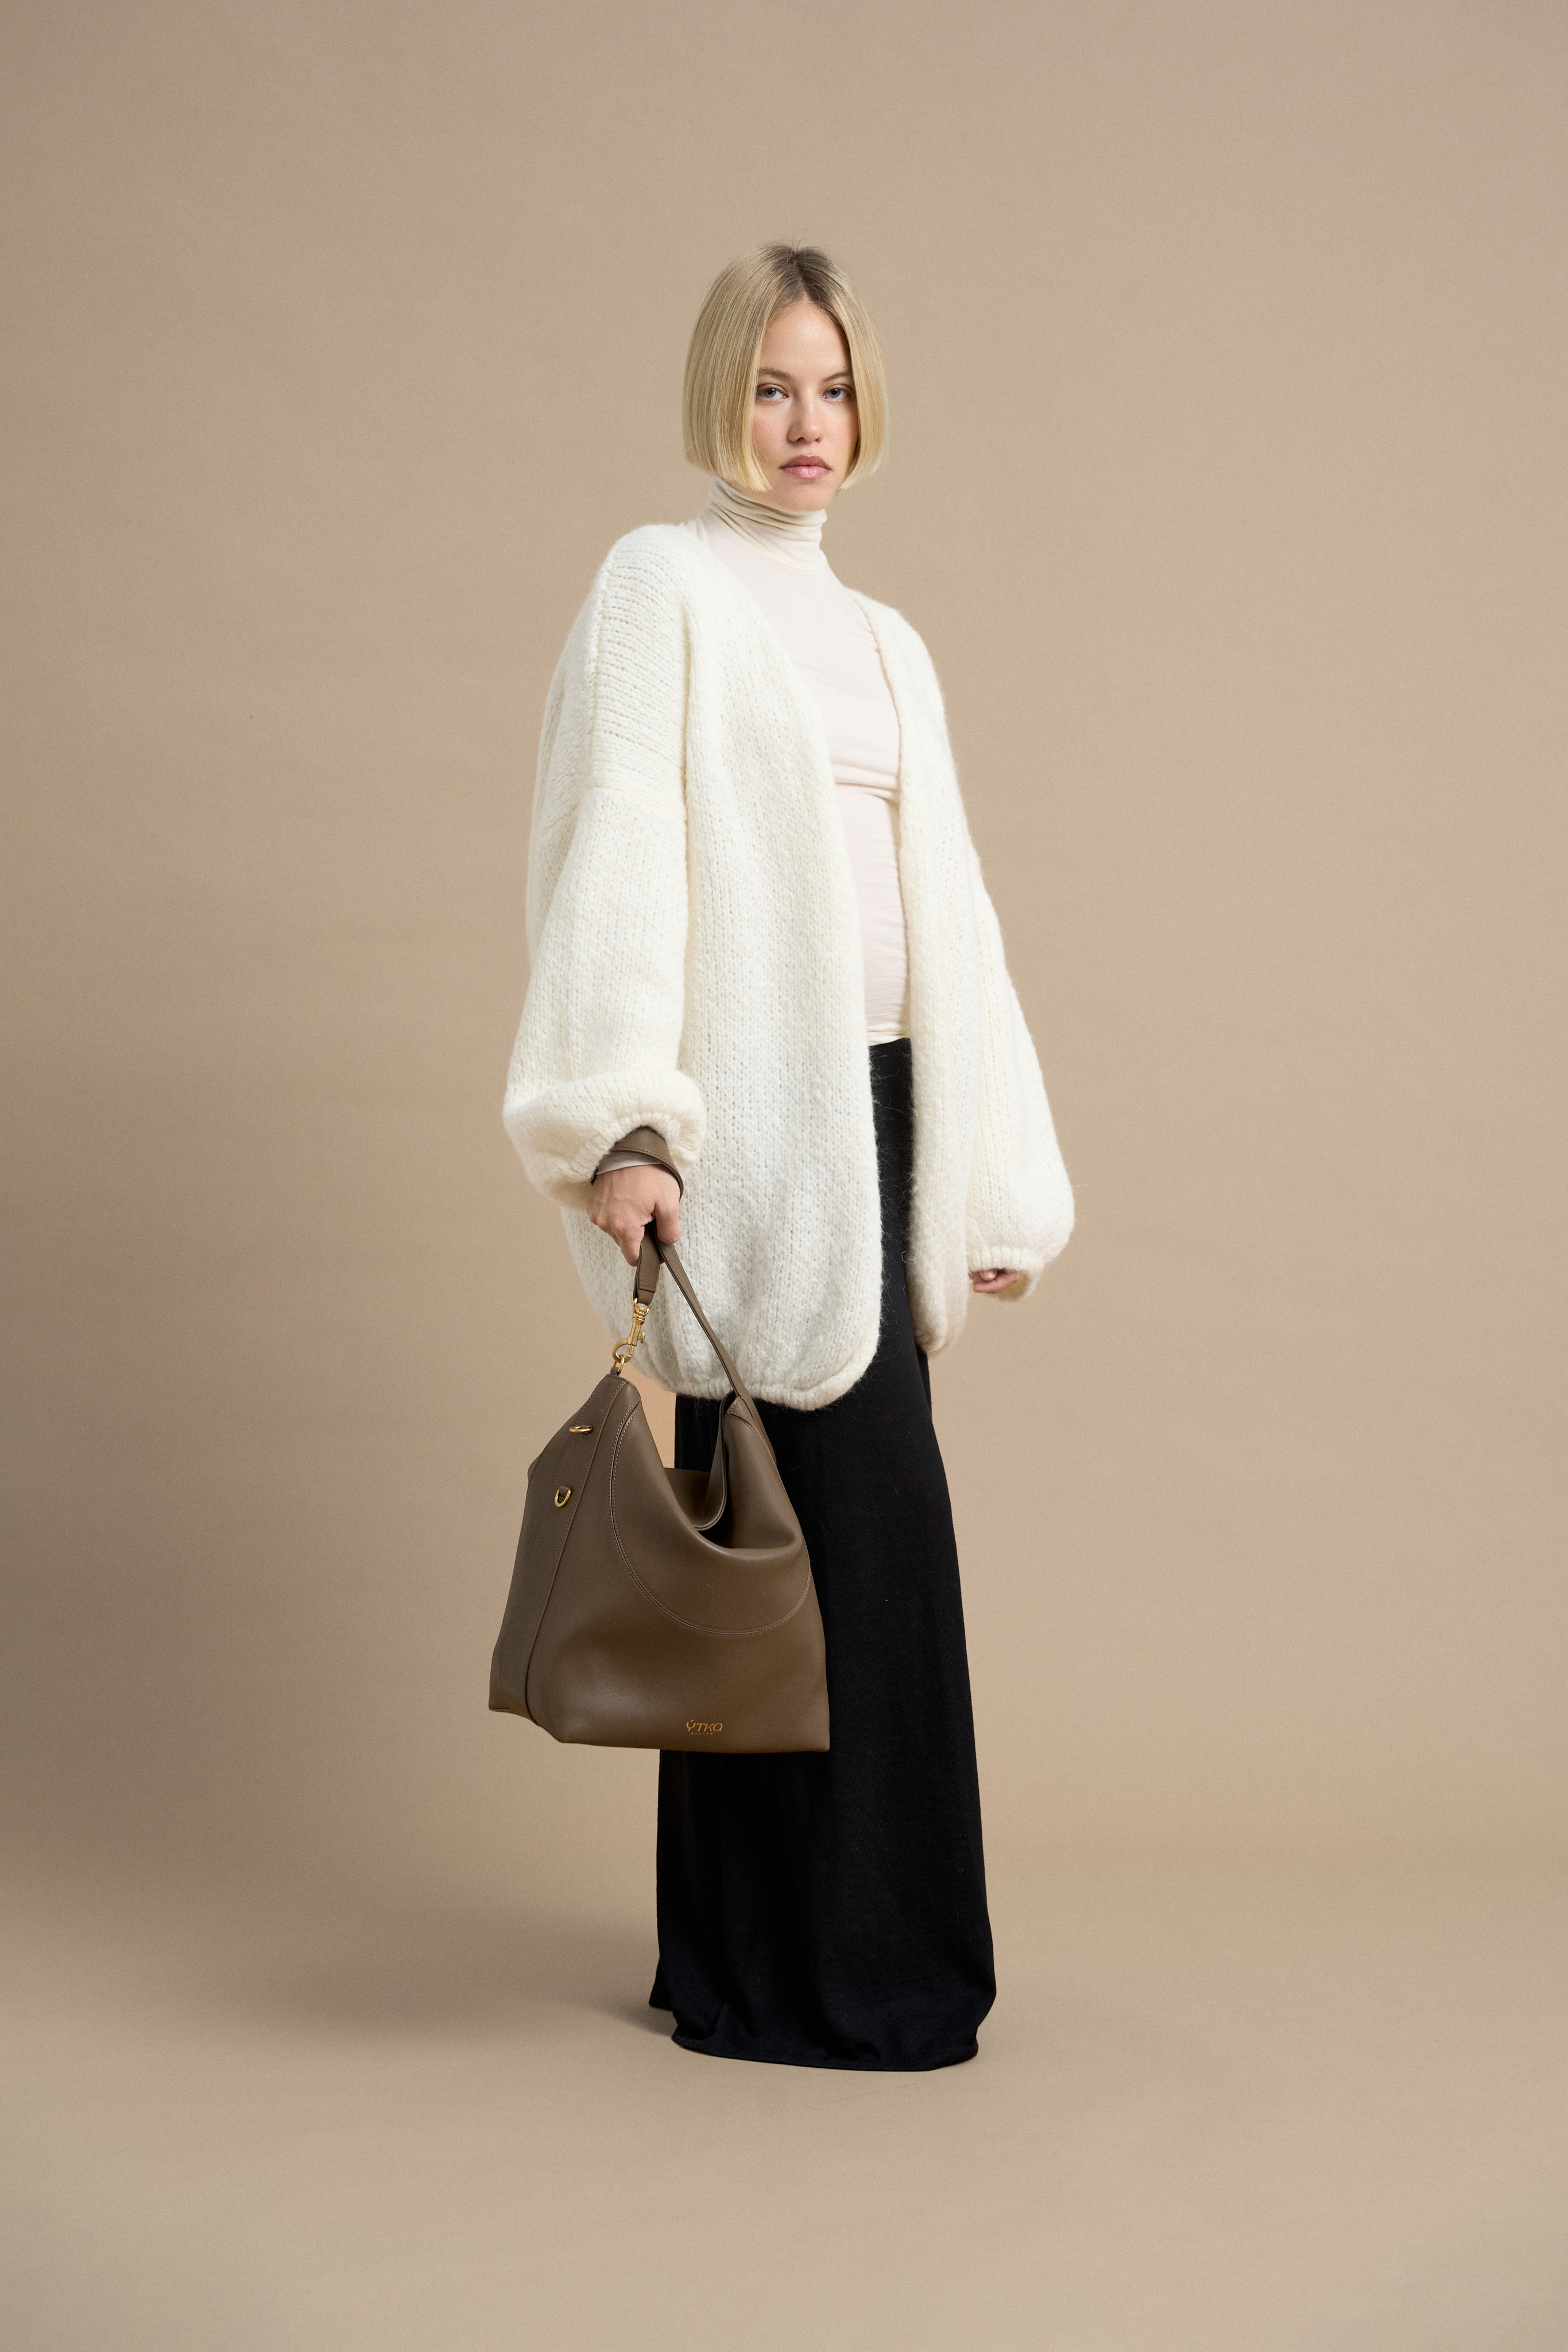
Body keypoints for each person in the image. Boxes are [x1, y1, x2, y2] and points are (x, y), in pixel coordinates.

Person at [503, 243, 1073, 2071]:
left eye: (828, 388)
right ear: (719, 398)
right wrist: (625, 1123)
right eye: (769, 387)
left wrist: (988, 1174)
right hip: (754, 1131)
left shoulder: (887, 639)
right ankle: (835, 1980)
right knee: (814, 1542)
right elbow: (613, 849)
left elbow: (953, 913)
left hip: (894, 1116)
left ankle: (745, 1964)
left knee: (796, 1545)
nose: (803, 423)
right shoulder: (656, 587)